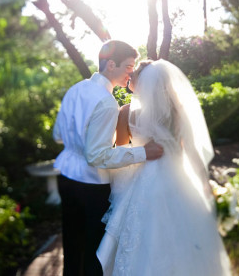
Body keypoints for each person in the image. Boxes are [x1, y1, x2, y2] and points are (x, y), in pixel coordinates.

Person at [97, 59, 232, 276]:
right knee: (182, 235)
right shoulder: (176, 111)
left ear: (140, 82)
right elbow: (191, 151)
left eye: (133, 76)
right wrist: (204, 181)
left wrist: (117, 187)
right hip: (178, 180)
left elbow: (121, 153)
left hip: (144, 183)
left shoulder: (125, 112)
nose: (129, 77)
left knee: (144, 238)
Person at [52, 40, 164, 276]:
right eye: (128, 66)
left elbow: (58, 136)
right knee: (94, 253)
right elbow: (96, 156)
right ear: (111, 64)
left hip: (65, 177)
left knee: (72, 248)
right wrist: (143, 152)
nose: (131, 72)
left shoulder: (76, 89)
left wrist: (80, 141)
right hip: (91, 185)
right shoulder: (106, 102)